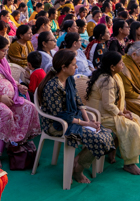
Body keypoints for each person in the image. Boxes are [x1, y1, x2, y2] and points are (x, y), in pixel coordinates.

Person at [38, 49, 116, 185]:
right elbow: (60, 115)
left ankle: (77, 161)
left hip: (72, 119)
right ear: (64, 67)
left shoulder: (69, 79)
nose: (77, 67)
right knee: (97, 139)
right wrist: (86, 124)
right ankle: (78, 169)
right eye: (74, 64)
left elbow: (79, 102)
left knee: (108, 134)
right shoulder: (52, 86)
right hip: (56, 124)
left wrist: (88, 120)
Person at [85, 51, 140, 174]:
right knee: (132, 126)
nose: (123, 65)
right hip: (100, 117)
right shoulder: (106, 80)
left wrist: (123, 110)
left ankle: (117, 153)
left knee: (135, 118)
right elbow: (108, 105)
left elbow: (119, 98)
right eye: (120, 63)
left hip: (108, 113)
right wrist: (121, 114)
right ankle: (130, 164)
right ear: (112, 67)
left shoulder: (115, 76)